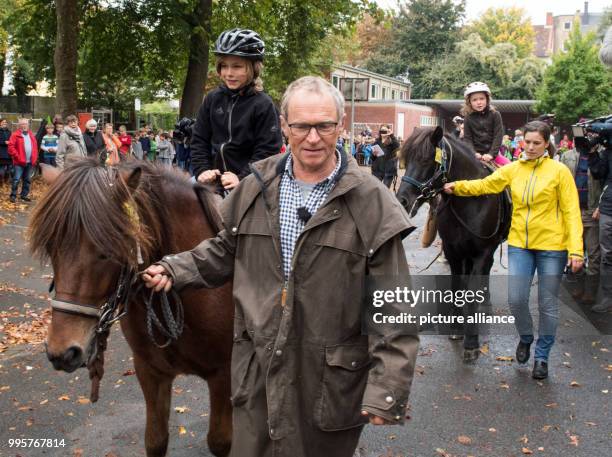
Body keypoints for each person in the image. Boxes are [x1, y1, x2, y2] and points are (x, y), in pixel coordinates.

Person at [142, 76, 419, 457]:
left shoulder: (372, 203)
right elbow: (225, 250)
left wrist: (387, 391)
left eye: (324, 125)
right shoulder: (256, 186)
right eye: (301, 126)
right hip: (257, 371)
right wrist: (175, 269)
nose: (313, 137)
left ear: (341, 126)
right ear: (285, 126)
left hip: (329, 381)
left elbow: (394, 304)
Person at [443, 121, 584, 379]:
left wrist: (576, 249)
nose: (530, 147)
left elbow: (572, 212)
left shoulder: (559, 172)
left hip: (552, 247)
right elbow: (486, 185)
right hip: (520, 245)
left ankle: (541, 357)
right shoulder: (513, 169)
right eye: (526, 142)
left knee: (547, 304)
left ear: (546, 144)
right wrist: (458, 187)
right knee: (516, 300)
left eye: (536, 143)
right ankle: (526, 337)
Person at [191, 28, 282, 195]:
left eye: (237, 66)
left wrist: (243, 177)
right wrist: (202, 170)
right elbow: (199, 139)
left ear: (254, 68)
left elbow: (267, 151)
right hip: (214, 182)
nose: (229, 73)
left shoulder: (263, 105)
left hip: (250, 184)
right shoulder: (212, 99)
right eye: (224, 66)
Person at [559, 137, 603, 307]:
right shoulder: (567, 156)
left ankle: (591, 291)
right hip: (571, 211)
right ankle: (578, 285)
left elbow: (606, 181)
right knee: (574, 251)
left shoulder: (600, 156)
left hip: (591, 211)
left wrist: (600, 206)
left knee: (593, 253)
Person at [588, 136, 612, 313]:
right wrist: (591, 152)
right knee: (608, 254)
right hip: (609, 209)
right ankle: (608, 297)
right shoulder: (609, 152)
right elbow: (597, 173)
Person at [461, 81, 504, 164]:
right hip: (475, 155)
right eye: (474, 100)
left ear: (487, 99)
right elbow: (468, 139)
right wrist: (473, 153)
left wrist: (491, 154)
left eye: (482, 98)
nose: (479, 102)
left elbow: (498, 136)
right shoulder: (468, 118)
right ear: (469, 102)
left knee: (510, 169)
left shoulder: (495, 114)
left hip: (493, 154)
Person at [7, 118, 38, 203]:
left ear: (28, 125)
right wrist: (18, 157)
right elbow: (10, 148)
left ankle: (24, 195)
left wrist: (34, 158)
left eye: (25, 124)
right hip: (19, 163)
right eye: (22, 124)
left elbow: (35, 147)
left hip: (29, 162)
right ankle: (13, 195)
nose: (24, 125)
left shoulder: (31, 135)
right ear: (19, 125)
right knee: (16, 179)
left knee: (27, 179)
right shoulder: (15, 135)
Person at [0, 118, 13, 185]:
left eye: (5, 122)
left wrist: (10, 142)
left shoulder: (9, 132)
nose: (4, 123)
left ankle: (6, 181)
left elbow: (12, 140)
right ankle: (1, 182)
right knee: (1, 170)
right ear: (0, 123)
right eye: (3, 122)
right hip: (1, 153)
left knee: (9, 170)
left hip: (8, 153)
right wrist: (4, 142)